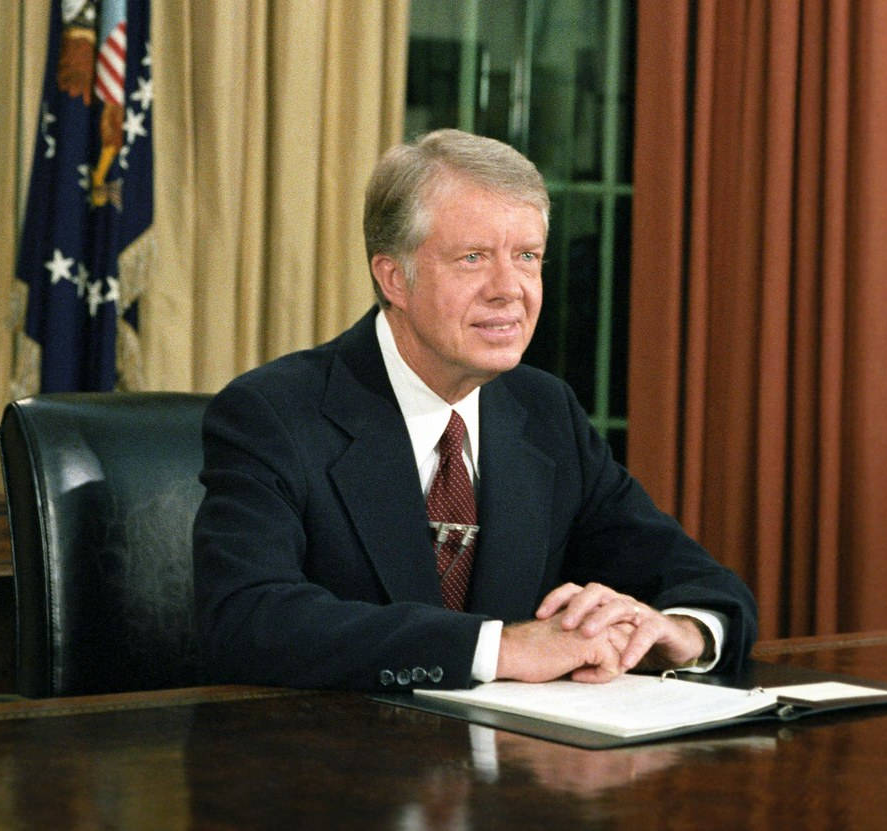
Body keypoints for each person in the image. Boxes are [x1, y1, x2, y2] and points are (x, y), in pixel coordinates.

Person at [193, 129, 757, 692]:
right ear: (394, 278)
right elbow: (249, 619)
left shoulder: (545, 411)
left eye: (527, 257)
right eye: (473, 258)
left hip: (513, 764)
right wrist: (501, 649)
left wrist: (681, 631)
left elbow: (696, 580)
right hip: (337, 762)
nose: (509, 290)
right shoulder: (273, 413)